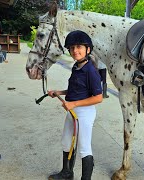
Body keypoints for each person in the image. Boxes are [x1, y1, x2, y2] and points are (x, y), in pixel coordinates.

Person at [47, 30, 103, 180]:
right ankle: (67, 173)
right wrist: (58, 92)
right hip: (72, 111)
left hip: (84, 113)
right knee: (66, 142)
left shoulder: (91, 71)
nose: (75, 51)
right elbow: (75, 89)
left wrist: (74, 104)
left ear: (88, 49)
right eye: (72, 48)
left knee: (85, 148)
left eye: (79, 47)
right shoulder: (76, 67)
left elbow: (98, 97)